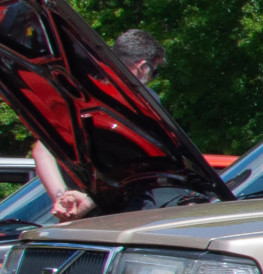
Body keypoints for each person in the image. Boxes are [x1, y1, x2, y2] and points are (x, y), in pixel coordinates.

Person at [35, 28, 166, 220]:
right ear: (142, 68)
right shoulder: (144, 102)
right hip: (129, 218)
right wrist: (90, 200)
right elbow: (138, 165)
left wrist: (62, 199)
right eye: (153, 72)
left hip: (77, 220)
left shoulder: (76, 94)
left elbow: (42, 151)